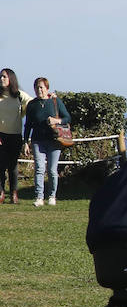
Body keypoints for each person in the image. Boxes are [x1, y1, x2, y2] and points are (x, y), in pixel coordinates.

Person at [22, 77, 69, 207]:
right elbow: (28, 125)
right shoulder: (32, 105)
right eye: (36, 87)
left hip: (54, 140)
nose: (39, 90)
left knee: (52, 170)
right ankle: (39, 197)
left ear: (47, 88)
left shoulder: (55, 101)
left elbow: (67, 117)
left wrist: (56, 121)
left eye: (41, 87)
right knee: (39, 169)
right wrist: (26, 141)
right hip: (37, 141)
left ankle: (52, 196)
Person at [0, 69, 33, 204]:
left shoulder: (19, 95)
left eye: (4, 77)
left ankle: (14, 194)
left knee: (13, 167)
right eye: (1, 77)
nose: (1, 79)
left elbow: (32, 103)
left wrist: (49, 98)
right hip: (1, 136)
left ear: (11, 79)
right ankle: (1, 193)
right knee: (0, 166)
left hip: (15, 136)